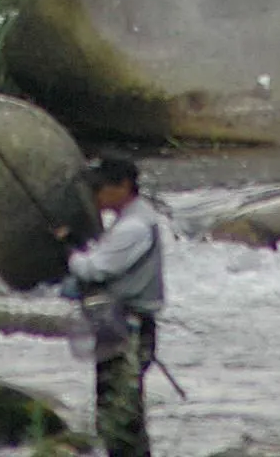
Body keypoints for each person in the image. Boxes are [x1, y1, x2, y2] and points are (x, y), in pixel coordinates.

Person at [59, 152, 166, 457]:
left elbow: (95, 269)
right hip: (123, 326)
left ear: (124, 186)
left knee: (120, 415)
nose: (95, 193)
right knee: (119, 409)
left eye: (100, 186)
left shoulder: (134, 227)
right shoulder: (132, 221)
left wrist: (70, 254)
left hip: (128, 331)